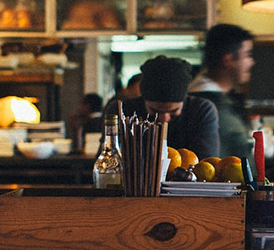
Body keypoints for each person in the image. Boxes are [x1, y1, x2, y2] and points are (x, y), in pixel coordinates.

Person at [106, 56, 219, 158]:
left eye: (174, 111)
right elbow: (109, 156)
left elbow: (206, 162)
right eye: (155, 111)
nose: (165, 118)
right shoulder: (121, 111)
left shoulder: (201, 111)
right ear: (143, 100)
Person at [188, 23, 254, 159]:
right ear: (228, 60)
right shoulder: (210, 105)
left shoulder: (214, 100)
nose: (251, 62)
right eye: (247, 55)